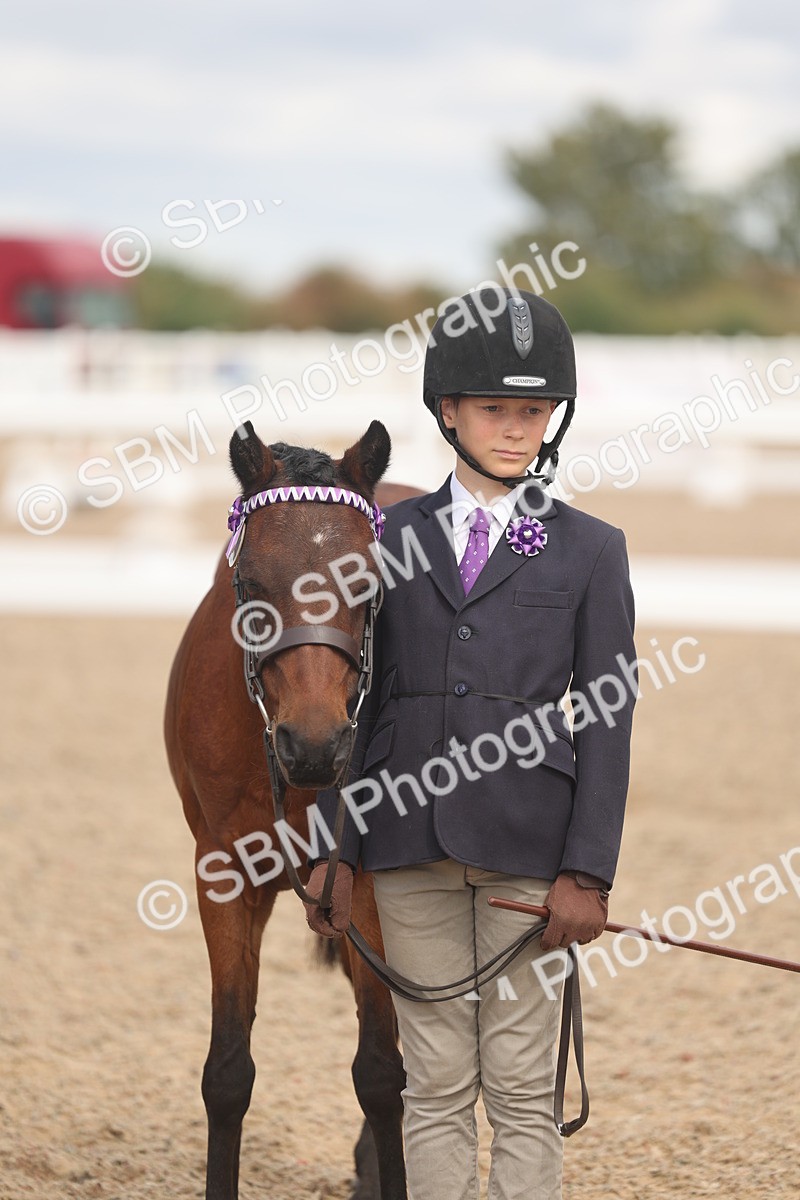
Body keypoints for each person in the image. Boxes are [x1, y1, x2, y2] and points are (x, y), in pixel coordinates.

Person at [306, 287, 637, 1200]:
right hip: (408, 850)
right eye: (495, 408)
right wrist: (335, 850)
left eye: (532, 411)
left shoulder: (590, 552)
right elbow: (353, 704)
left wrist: (589, 873)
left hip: (531, 856)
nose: (516, 429)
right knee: (438, 1081)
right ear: (447, 412)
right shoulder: (389, 543)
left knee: (525, 1089)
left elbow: (609, 717)